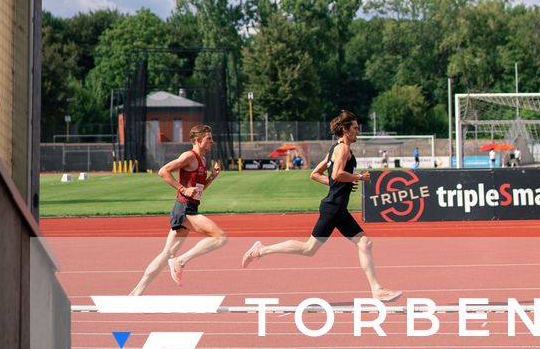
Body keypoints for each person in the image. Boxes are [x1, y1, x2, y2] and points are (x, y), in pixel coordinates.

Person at [242, 110, 400, 301]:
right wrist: (358, 177)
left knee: (365, 243)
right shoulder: (343, 149)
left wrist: (342, 182)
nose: (358, 131)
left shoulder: (334, 149)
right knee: (309, 249)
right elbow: (337, 175)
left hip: (338, 209)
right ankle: (261, 250)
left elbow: (315, 174)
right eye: (355, 128)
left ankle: (377, 290)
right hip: (333, 208)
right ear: (345, 129)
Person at [128, 124, 226, 294]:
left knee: (166, 254)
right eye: (209, 138)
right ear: (198, 140)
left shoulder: (202, 160)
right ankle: (180, 261)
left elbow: (198, 191)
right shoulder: (189, 156)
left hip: (189, 207)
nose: (212, 142)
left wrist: (212, 177)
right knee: (220, 237)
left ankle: (136, 292)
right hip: (184, 209)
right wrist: (182, 189)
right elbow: (163, 171)